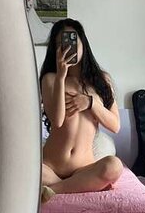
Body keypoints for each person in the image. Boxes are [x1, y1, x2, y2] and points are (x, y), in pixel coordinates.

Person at [39, 18, 123, 201]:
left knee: (114, 166)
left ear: (83, 43)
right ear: (55, 50)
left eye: (72, 40)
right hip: (51, 167)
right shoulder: (50, 79)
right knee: (29, 168)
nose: (68, 47)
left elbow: (115, 125)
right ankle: (78, 185)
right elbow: (57, 121)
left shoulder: (102, 80)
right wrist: (61, 77)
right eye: (61, 44)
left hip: (83, 168)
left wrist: (91, 103)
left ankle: (54, 190)